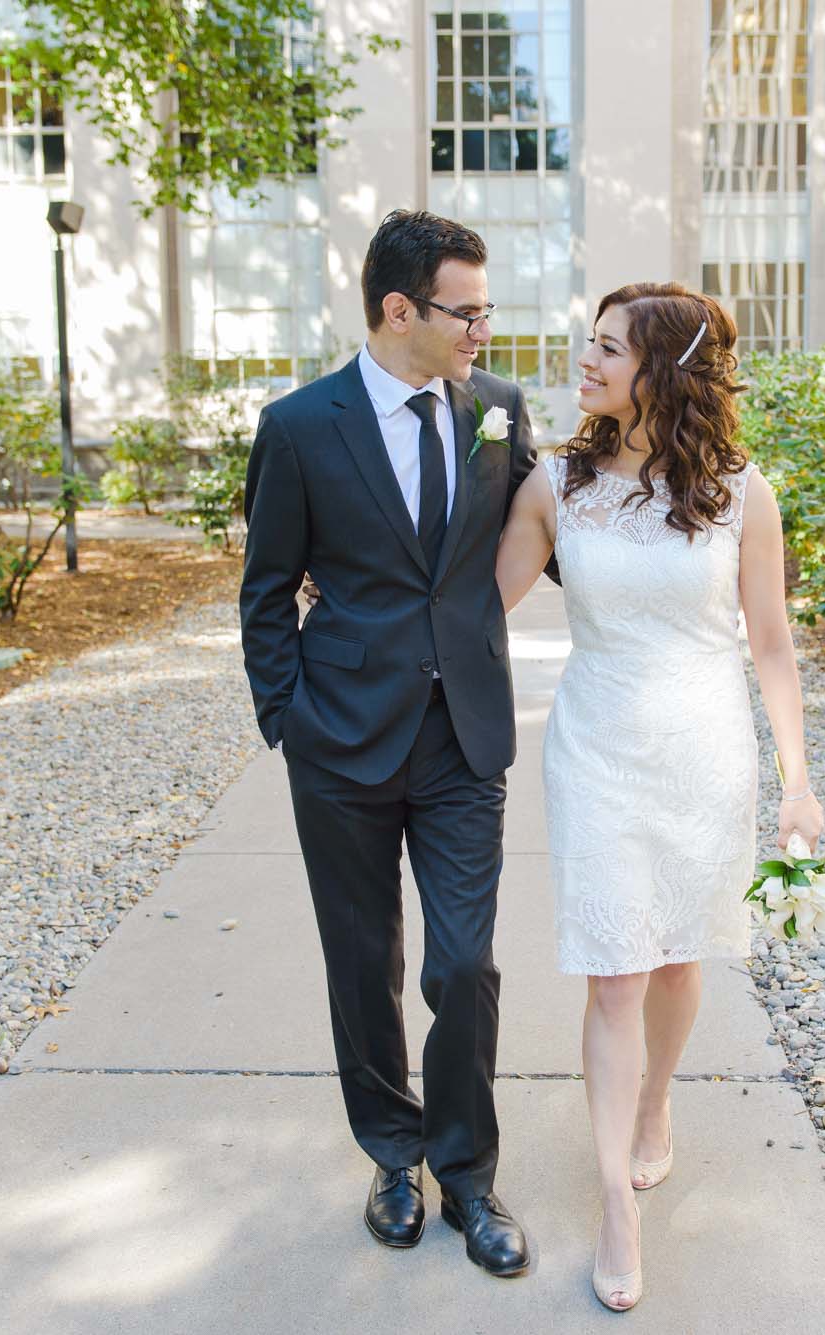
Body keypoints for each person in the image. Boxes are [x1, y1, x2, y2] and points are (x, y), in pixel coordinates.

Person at [495, 282, 825, 1311]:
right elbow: (475, 603)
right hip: (594, 750)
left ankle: (655, 1103)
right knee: (613, 977)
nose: (585, 361)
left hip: (703, 753)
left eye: (608, 349)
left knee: (679, 958)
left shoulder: (740, 493)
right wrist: (348, 596)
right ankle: (614, 1204)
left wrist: (798, 782)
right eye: (589, 343)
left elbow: (770, 645)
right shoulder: (555, 483)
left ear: (664, 373)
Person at [238, 210, 539, 1277]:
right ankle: (392, 1156)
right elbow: (265, 590)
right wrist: (288, 718)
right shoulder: (299, 427)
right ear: (398, 310)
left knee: (464, 964)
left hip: (463, 736)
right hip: (341, 741)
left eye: (487, 311)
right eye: (468, 313)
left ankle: (468, 1173)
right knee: (362, 965)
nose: (483, 333)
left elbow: (550, 531)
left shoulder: (498, 410)